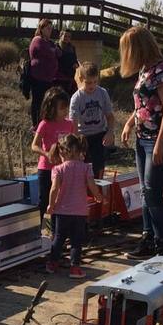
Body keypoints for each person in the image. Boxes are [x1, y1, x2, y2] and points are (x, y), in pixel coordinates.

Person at [119, 25, 163, 256]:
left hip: (158, 141)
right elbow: (143, 105)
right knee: (146, 191)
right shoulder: (145, 70)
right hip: (142, 138)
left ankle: (161, 244)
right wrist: (129, 123)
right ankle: (148, 238)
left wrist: (160, 142)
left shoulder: (162, 71)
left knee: (153, 192)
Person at [46, 133, 101, 278]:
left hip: (62, 211)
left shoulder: (58, 169)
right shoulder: (86, 168)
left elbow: (54, 189)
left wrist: (51, 205)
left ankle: (52, 263)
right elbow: (92, 185)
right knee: (76, 241)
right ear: (78, 150)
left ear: (62, 151)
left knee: (58, 238)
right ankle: (75, 268)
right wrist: (99, 196)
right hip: (80, 211)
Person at [30, 87, 75, 226]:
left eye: (66, 108)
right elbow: (34, 145)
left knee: (60, 200)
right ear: (51, 107)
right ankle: (37, 229)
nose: (65, 111)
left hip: (63, 169)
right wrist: (46, 154)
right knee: (44, 200)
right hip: (46, 168)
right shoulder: (45, 124)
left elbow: (74, 143)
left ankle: (57, 232)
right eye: (62, 108)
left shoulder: (70, 124)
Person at [69, 62, 115, 178]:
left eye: (95, 82)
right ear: (81, 79)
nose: (92, 86)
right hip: (83, 137)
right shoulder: (76, 98)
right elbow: (73, 123)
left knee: (98, 167)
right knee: (83, 168)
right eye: (88, 82)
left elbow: (109, 116)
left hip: (100, 135)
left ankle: (98, 191)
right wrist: (77, 145)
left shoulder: (102, 93)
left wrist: (110, 132)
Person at [28, 18, 61, 127]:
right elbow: (48, 52)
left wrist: (54, 49)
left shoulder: (50, 42)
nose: (50, 31)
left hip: (48, 78)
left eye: (51, 28)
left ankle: (43, 123)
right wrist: (53, 50)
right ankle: (35, 124)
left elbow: (59, 53)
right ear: (41, 29)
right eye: (47, 28)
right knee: (37, 102)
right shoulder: (37, 40)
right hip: (38, 77)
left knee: (46, 101)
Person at [56, 30, 79, 95]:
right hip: (59, 78)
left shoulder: (72, 48)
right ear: (60, 36)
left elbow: (75, 60)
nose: (67, 38)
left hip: (70, 78)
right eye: (65, 36)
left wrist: (76, 64)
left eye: (69, 37)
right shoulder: (57, 47)